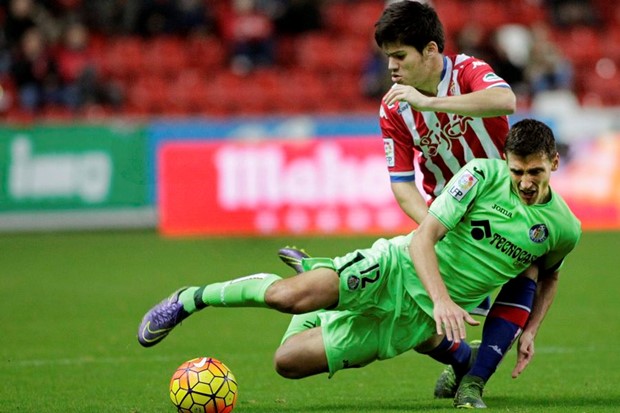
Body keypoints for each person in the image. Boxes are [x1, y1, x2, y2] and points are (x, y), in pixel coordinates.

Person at [138, 119, 581, 410]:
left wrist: (532, 331)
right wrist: (444, 299)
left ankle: (322, 287)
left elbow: (547, 276)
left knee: (286, 362)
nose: (524, 182)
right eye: (517, 170)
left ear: (554, 164)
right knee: (286, 298)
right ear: (505, 160)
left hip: (412, 322)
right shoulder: (480, 177)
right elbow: (424, 237)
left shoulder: (563, 227)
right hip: (394, 268)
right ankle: (190, 299)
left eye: (535, 173)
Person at [279, 1, 533, 408]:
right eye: (388, 57)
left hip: (509, 206)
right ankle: (465, 363)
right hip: (446, 218)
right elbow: (401, 185)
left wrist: (430, 103)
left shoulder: (466, 70)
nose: (392, 67)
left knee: (530, 262)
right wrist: (435, 224)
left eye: (400, 56)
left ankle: (473, 377)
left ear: (431, 51)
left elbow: (505, 101)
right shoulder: (393, 107)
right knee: (421, 310)